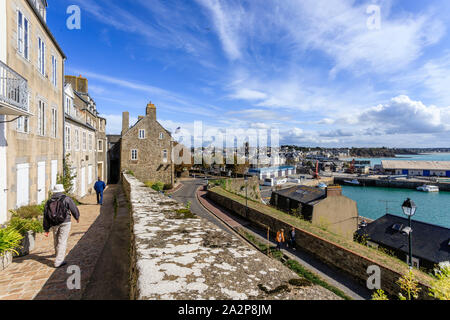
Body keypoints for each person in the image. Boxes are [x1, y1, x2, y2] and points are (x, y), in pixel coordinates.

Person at [43, 184, 80, 268]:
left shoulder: (49, 201)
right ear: (62, 190)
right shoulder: (66, 198)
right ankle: (58, 261)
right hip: (65, 221)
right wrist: (77, 217)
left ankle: (58, 256)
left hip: (54, 223)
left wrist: (46, 228)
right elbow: (73, 208)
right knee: (62, 240)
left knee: (56, 240)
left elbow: (46, 215)